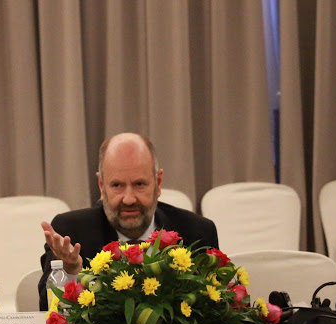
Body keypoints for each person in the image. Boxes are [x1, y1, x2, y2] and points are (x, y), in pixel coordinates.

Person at [38, 133, 218, 310]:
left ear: (158, 182)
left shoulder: (197, 231)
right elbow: (46, 308)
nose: (129, 199)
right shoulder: (70, 233)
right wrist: (71, 271)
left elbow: (216, 310)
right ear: (101, 186)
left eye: (139, 184)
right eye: (117, 185)